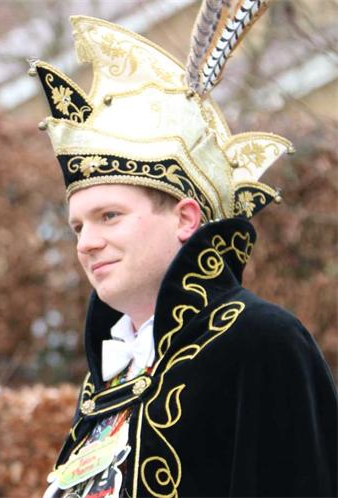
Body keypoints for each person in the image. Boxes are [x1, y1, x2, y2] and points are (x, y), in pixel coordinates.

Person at [28, 4, 337, 497]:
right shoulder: (114, 367)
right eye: (77, 227)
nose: (86, 243)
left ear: (185, 219)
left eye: (110, 216)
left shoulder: (260, 341)